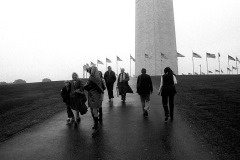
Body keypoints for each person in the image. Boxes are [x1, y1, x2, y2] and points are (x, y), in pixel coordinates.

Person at [84, 66, 104, 137]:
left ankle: (96, 127)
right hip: (94, 95)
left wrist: (85, 86)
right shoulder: (98, 78)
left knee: (94, 111)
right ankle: (96, 125)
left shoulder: (92, 78)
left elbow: (86, 86)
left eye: (90, 70)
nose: (90, 71)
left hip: (93, 96)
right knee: (93, 111)